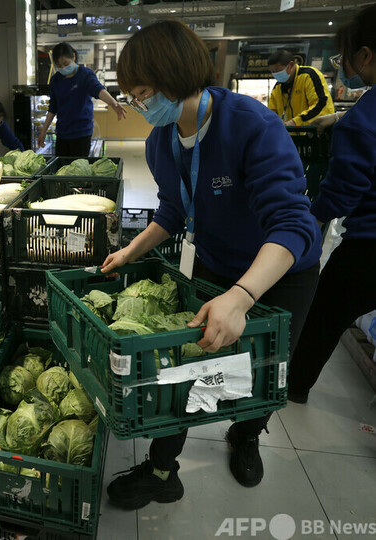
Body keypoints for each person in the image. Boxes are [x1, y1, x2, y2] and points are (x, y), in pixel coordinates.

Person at [101, 20, 321, 510]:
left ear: (177, 78)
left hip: (280, 272)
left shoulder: (250, 124)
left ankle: (246, 436)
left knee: (261, 371)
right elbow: (172, 212)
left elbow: (293, 224)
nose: (139, 105)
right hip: (215, 265)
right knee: (185, 369)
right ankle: (162, 470)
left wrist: (242, 297)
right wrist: (131, 251)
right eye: (132, 96)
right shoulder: (161, 139)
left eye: (143, 93)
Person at [288, 4, 376, 403]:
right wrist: (339, 121)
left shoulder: (365, 119)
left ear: (366, 55)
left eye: (346, 57)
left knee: (323, 316)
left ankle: (295, 386)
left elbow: (343, 192)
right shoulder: (359, 116)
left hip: (368, 249)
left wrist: (308, 217)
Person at [37, 42, 127, 157]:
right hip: (62, 133)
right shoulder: (56, 80)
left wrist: (113, 103)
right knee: (61, 169)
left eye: (66, 63)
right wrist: (43, 131)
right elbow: (53, 108)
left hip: (81, 133)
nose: (63, 68)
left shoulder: (85, 74)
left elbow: (97, 89)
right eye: (59, 66)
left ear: (73, 57)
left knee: (78, 171)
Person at [267, 49, 335, 126]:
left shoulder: (309, 76)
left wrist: (295, 122)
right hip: (291, 135)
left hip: (315, 132)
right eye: (272, 71)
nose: (275, 74)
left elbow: (320, 104)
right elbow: (271, 112)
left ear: (291, 65)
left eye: (278, 70)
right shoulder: (278, 87)